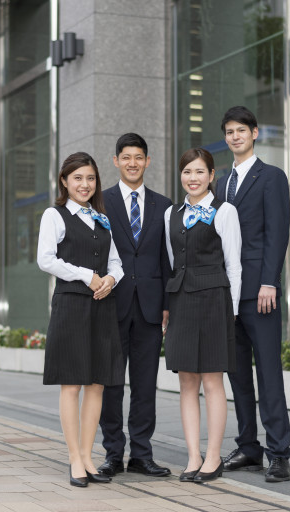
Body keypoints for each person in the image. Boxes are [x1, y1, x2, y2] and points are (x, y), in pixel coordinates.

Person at [37, 152, 125, 488]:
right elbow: (46, 259)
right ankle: (74, 457)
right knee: (72, 383)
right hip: (71, 305)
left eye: (90, 178)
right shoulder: (54, 215)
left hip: (102, 304)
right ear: (64, 181)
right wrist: (86, 275)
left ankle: (89, 456)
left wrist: (111, 279)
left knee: (97, 383)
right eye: (77, 178)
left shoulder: (101, 217)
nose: (84, 185)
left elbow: (116, 261)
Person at [214, 106, 290, 482]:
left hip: (260, 292)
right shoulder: (221, 183)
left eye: (240, 130)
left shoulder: (271, 177)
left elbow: (277, 233)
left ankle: (279, 452)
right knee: (238, 374)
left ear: (255, 133)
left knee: (268, 373)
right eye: (229, 131)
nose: (234, 136)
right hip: (227, 294)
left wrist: (269, 281)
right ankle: (248, 447)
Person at [164, 147, 242, 483]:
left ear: (212, 175)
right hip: (181, 300)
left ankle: (213, 457)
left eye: (199, 172)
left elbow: (234, 266)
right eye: (186, 172)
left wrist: (232, 312)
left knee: (212, 382)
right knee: (186, 382)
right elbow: (172, 260)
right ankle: (193, 455)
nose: (192, 178)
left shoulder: (225, 211)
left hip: (214, 301)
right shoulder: (171, 213)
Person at [98, 133, 173, 477]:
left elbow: (167, 260)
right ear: (115, 161)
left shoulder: (164, 205)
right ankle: (113, 452)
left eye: (138, 157)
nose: (132, 163)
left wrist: (168, 304)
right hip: (111, 305)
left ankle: (141, 453)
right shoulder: (101, 202)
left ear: (147, 161)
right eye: (126, 157)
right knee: (112, 383)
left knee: (145, 385)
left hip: (149, 309)